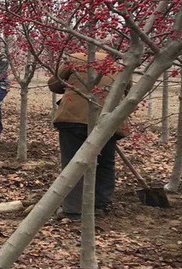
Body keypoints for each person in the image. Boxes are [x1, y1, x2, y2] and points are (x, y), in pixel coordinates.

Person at [48, 50, 125, 220]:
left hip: (73, 117)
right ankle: (101, 204)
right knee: (105, 163)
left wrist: (72, 84)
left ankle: (73, 209)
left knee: (72, 162)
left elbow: (54, 84)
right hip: (107, 120)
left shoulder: (76, 58)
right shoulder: (119, 65)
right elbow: (126, 90)